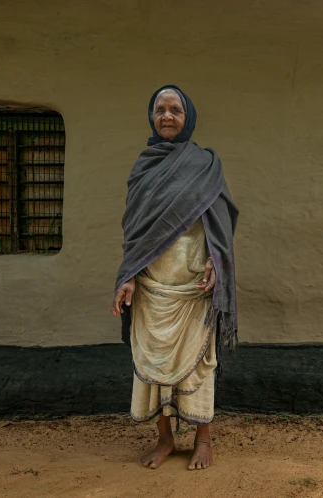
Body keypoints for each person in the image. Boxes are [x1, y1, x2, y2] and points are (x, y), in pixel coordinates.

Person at [111, 85, 238, 471]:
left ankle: (203, 440)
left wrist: (218, 261)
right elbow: (134, 230)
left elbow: (220, 221)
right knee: (152, 363)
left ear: (188, 118)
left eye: (175, 110)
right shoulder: (144, 166)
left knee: (201, 364)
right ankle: (165, 439)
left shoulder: (204, 164)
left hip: (195, 284)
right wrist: (129, 275)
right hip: (151, 285)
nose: (167, 116)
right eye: (160, 109)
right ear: (151, 116)